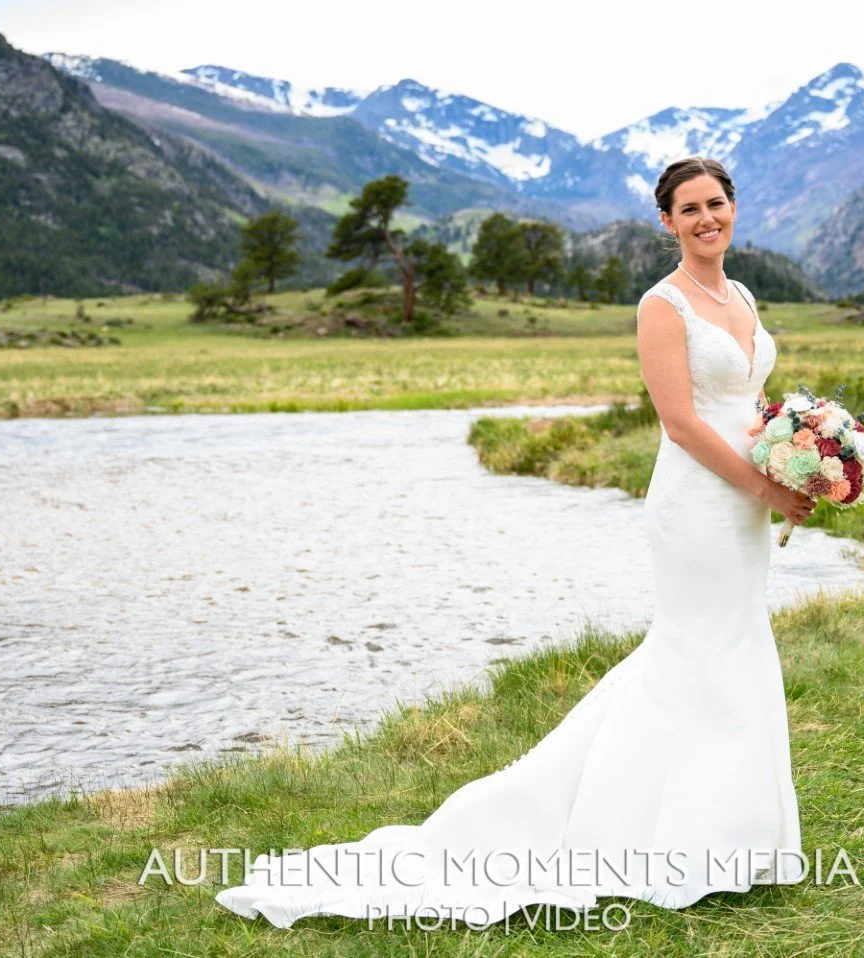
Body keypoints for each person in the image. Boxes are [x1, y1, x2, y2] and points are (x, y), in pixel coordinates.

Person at [215, 156, 815, 929]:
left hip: (747, 505)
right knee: (695, 649)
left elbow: (752, 402)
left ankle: (732, 839)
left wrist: (794, 460)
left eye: (717, 203)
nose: (707, 218)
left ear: (735, 207)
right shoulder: (661, 306)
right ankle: (664, 841)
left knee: (736, 644)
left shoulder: (742, 295)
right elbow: (683, 423)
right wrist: (762, 484)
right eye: (689, 209)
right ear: (666, 223)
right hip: (699, 504)